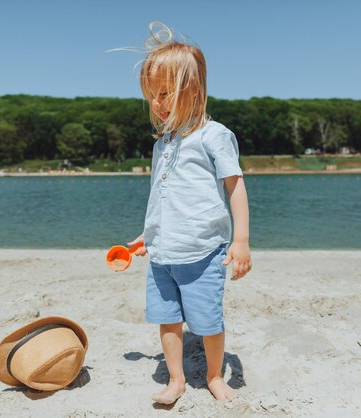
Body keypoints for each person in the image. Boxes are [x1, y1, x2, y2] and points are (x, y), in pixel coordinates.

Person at [126, 22, 252, 404]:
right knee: (167, 319)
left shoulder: (214, 136)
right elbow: (161, 196)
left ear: (193, 90)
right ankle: (177, 379)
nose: (158, 103)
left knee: (208, 322)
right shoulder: (161, 144)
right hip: (163, 252)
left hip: (202, 252)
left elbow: (235, 185)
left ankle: (214, 376)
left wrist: (241, 241)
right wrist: (147, 235)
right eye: (152, 96)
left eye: (165, 93)